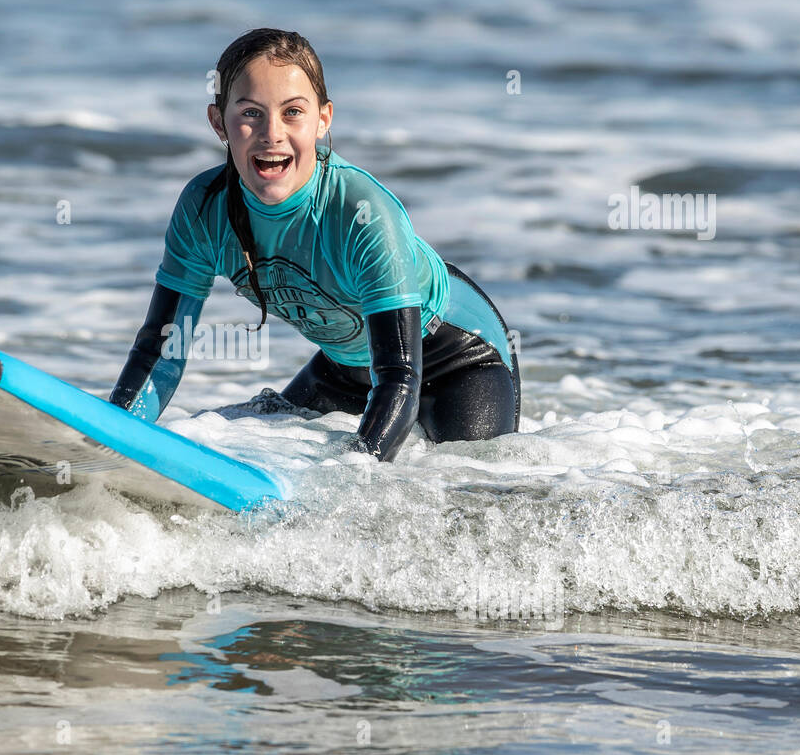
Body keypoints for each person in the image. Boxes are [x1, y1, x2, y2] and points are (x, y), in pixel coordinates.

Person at [109, 28, 519, 462]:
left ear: (322, 120)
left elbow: (400, 376)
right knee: (246, 437)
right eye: (251, 112)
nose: (272, 133)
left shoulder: (360, 212)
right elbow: (162, 349)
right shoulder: (204, 209)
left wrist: (350, 477)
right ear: (217, 122)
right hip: (347, 367)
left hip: (458, 358)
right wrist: (112, 438)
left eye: (292, 113)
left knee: (464, 493)